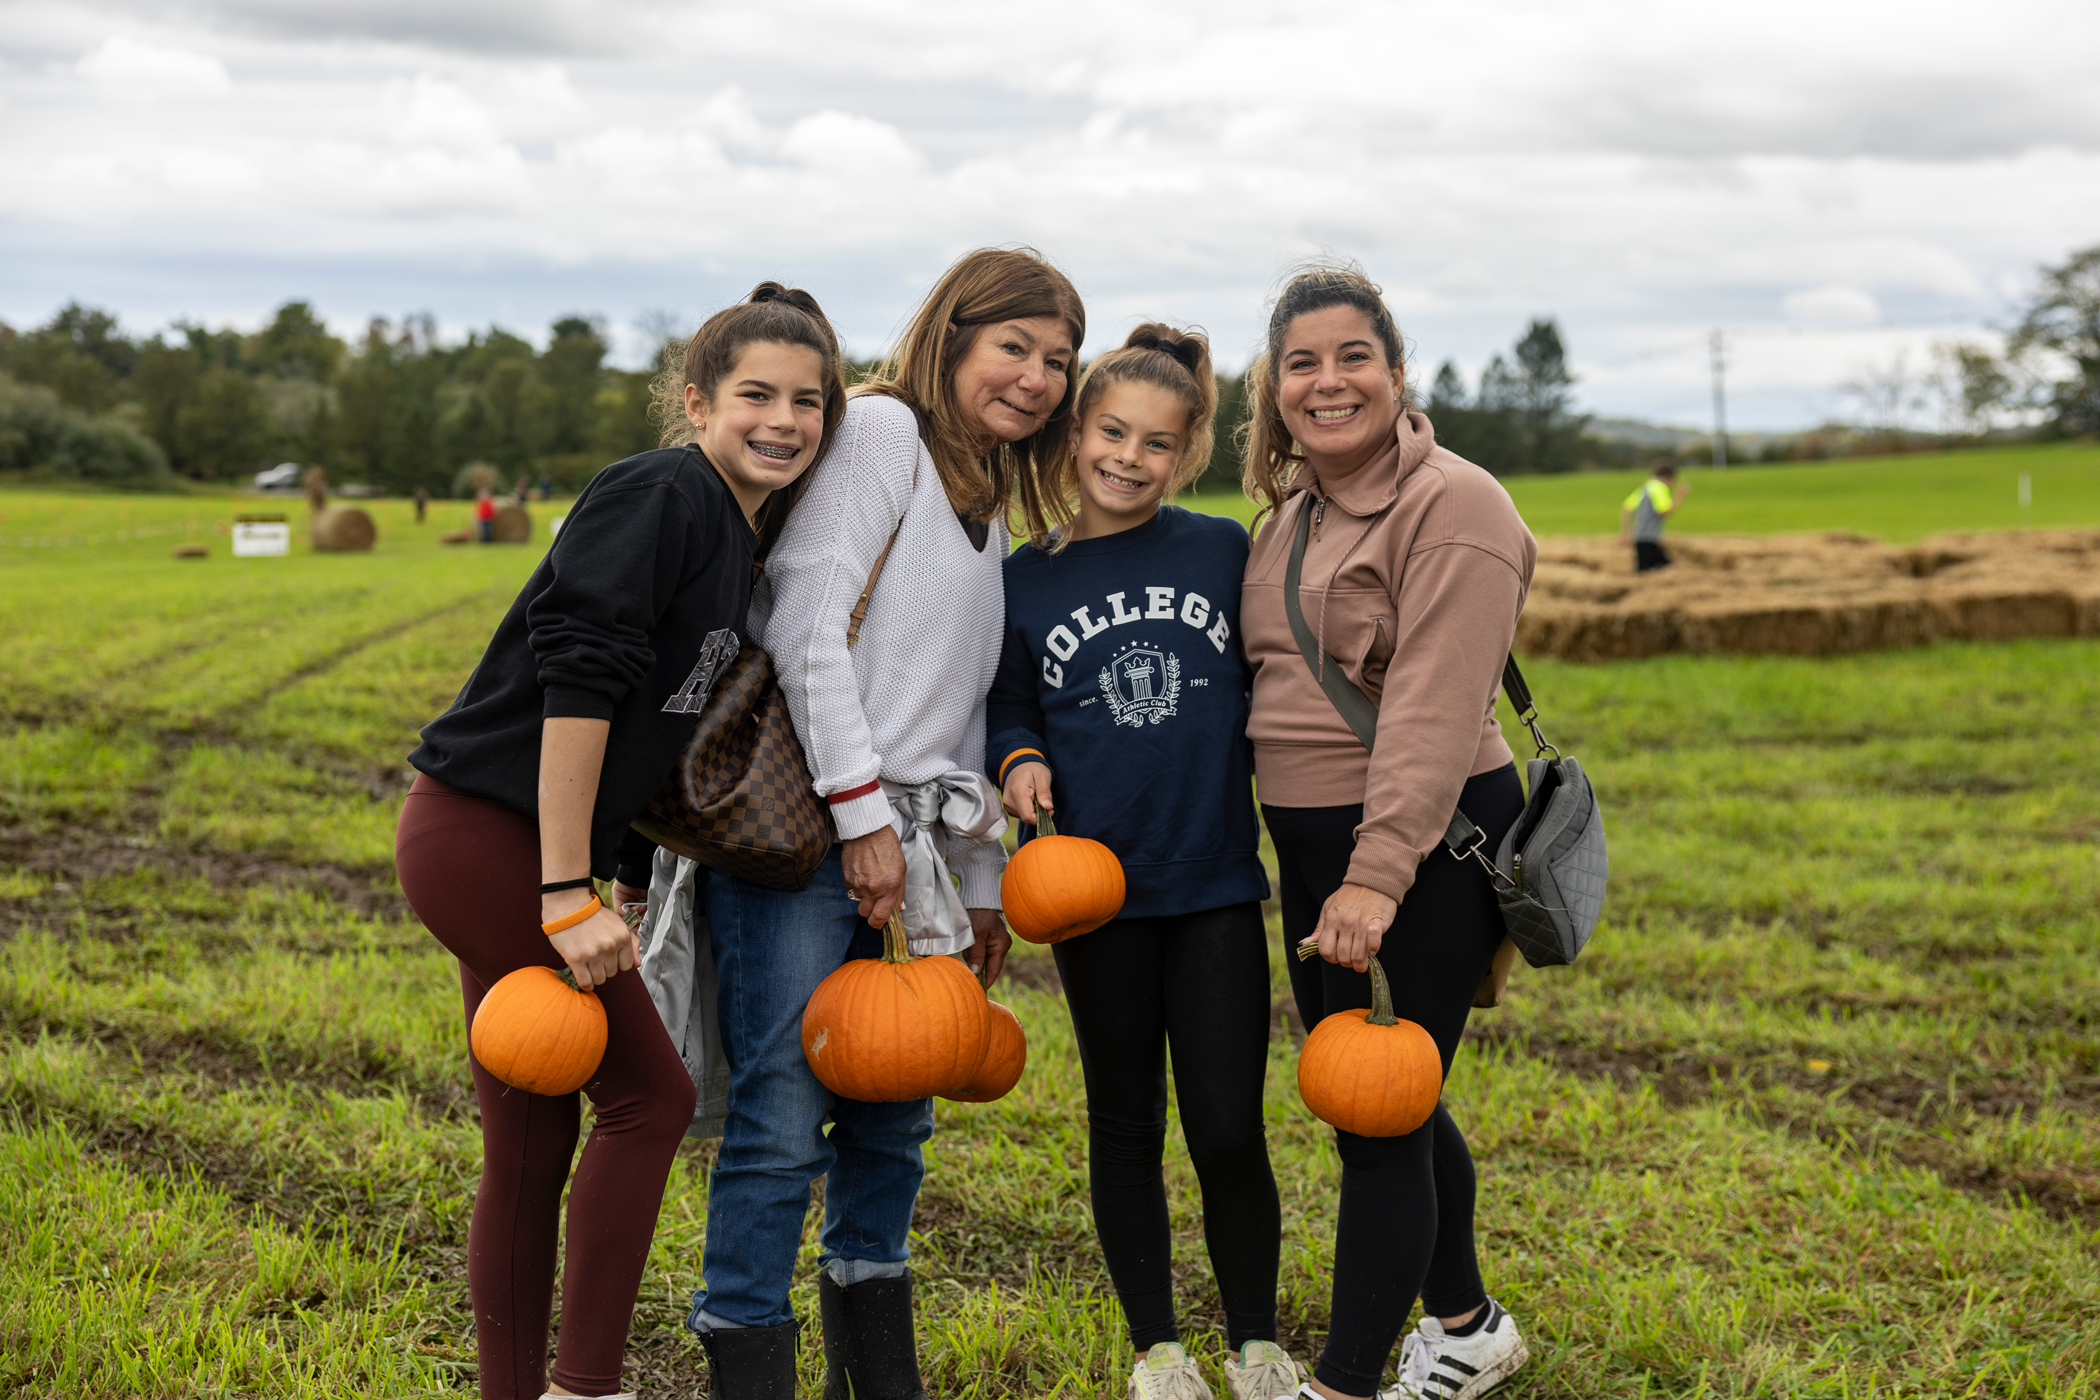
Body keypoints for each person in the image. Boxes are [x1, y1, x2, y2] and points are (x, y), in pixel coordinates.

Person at [393, 283, 845, 1400]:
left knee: (536, 1134)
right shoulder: (659, 493)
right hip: (487, 837)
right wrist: (560, 888)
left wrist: (625, 873)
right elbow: (579, 688)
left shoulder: (735, 536)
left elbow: (659, 732)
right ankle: (588, 1384)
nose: (783, 419)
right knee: (652, 1096)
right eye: (755, 394)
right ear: (696, 401)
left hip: (516, 843)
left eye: (808, 400)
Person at [668, 247, 1084, 1400]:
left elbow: (954, 708)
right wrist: (861, 819)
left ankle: (879, 1380)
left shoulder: (989, 496)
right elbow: (805, 621)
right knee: (783, 1122)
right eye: (1013, 346)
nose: (1037, 378)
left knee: (896, 1125)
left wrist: (980, 875)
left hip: (918, 850)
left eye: (1058, 359)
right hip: (810, 835)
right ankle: (747, 1357)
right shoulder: (886, 434)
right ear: (951, 336)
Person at [1239, 262, 1537, 1400]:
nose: (1328, 381)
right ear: (1275, 390)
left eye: (1352, 356)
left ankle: (1344, 1384)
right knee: (1374, 1093)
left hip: (1420, 840)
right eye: (1302, 363)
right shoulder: (1291, 514)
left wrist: (1371, 879)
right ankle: (1465, 1322)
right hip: (1317, 848)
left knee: (1380, 1114)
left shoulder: (1456, 505)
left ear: (1397, 372)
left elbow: (1430, 709)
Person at [989, 325, 1302, 1400]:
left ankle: (1256, 1339)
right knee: (1124, 1115)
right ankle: (1159, 1346)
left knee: (1226, 1122)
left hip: (1212, 879)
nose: (1129, 456)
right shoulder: (1026, 576)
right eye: (1111, 431)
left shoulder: (1222, 548)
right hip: (1095, 892)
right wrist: (1020, 756)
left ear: (1188, 451)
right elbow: (1008, 699)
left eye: (1156, 443)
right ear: (1075, 431)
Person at [1620, 461, 1686, 572]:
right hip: (1649, 538)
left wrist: (1626, 531)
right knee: (1668, 569)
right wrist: (1680, 495)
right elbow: (1664, 512)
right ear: (1669, 476)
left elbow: (1626, 509)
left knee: (1647, 571)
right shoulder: (1660, 488)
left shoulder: (1646, 488)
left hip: (1640, 537)